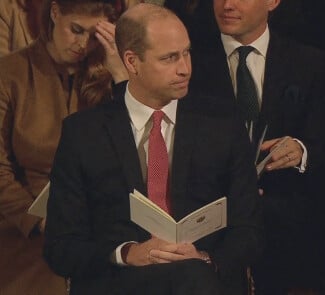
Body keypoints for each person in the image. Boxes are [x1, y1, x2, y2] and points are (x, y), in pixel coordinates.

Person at [43, 3, 262, 295]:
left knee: (192, 275)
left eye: (187, 53)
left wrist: (206, 258)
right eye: (170, 58)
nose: (185, 69)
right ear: (132, 62)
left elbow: (251, 230)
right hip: (119, 281)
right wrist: (127, 253)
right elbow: (61, 246)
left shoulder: (222, 124)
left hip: (204, 278)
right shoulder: (83, 133)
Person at [190, 0, 325, 293]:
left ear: (272, 2)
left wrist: (301, 150)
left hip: (289, 237)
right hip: (213, 237)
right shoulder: (190, 63)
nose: (227, 5)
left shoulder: (311, 62)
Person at [0, 0, 125, 294]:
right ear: (55, 13)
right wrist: (36, 220)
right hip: (26, 227)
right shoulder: (10, 74)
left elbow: (132, 150)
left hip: (100, 223)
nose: (83, 44)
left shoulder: (105, 75)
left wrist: (120, 77)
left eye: (94, 35)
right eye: (76, 30)